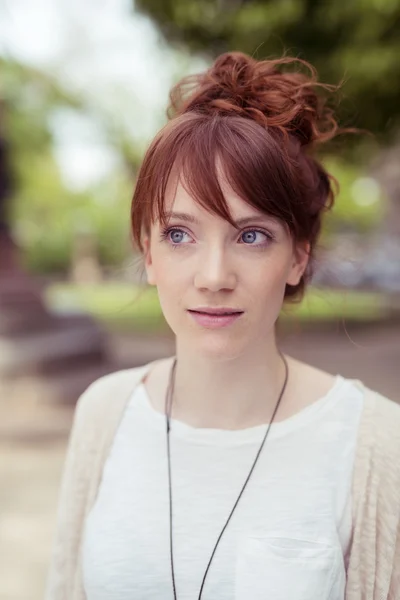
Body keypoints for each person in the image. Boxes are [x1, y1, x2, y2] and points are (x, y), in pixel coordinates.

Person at [45, 52, 400, 600]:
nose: (213, 277)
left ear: (298, 257)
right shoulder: (105, 413)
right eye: (181, 235)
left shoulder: (375, 442)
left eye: (251, 235)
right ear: (149, 252)